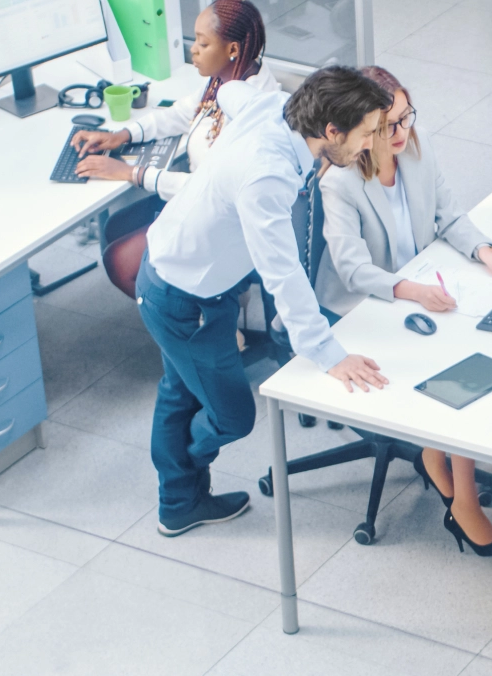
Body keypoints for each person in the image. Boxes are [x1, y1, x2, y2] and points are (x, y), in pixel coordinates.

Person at [136, 66, 391, 536]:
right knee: (232, 416)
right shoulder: (267, 175)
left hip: (184, 277)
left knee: (181, 391)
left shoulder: (275, 106)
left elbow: (230, 90)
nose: (369, 144)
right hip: (183, 300)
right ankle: (180, 470)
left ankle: (177, 503)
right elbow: (282, 273)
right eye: (367, 133)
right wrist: (328, 354)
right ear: (331, 130)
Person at [319, 66, 492, 557]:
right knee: (457, 369)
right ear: (364, 128)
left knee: (480, 346)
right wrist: (411, 290)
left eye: (406, 116)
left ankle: (437, 455)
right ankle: (462, 500)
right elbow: (352, 270)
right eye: (388, 125)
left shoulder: (416, 143)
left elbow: (448, 213)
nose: (401, 131)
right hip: (367, 305)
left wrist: (486, 253)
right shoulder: (340, 182)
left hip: (426, 279)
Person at [69, 0, 276, 196]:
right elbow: (180, 114)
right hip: (192, 202)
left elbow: (210, 190)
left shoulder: (252, 115)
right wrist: (122, 135)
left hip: (209, 209)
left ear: (233, 49)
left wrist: (132, 173)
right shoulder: (223, 79)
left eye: (203, 44)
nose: (193, 50)